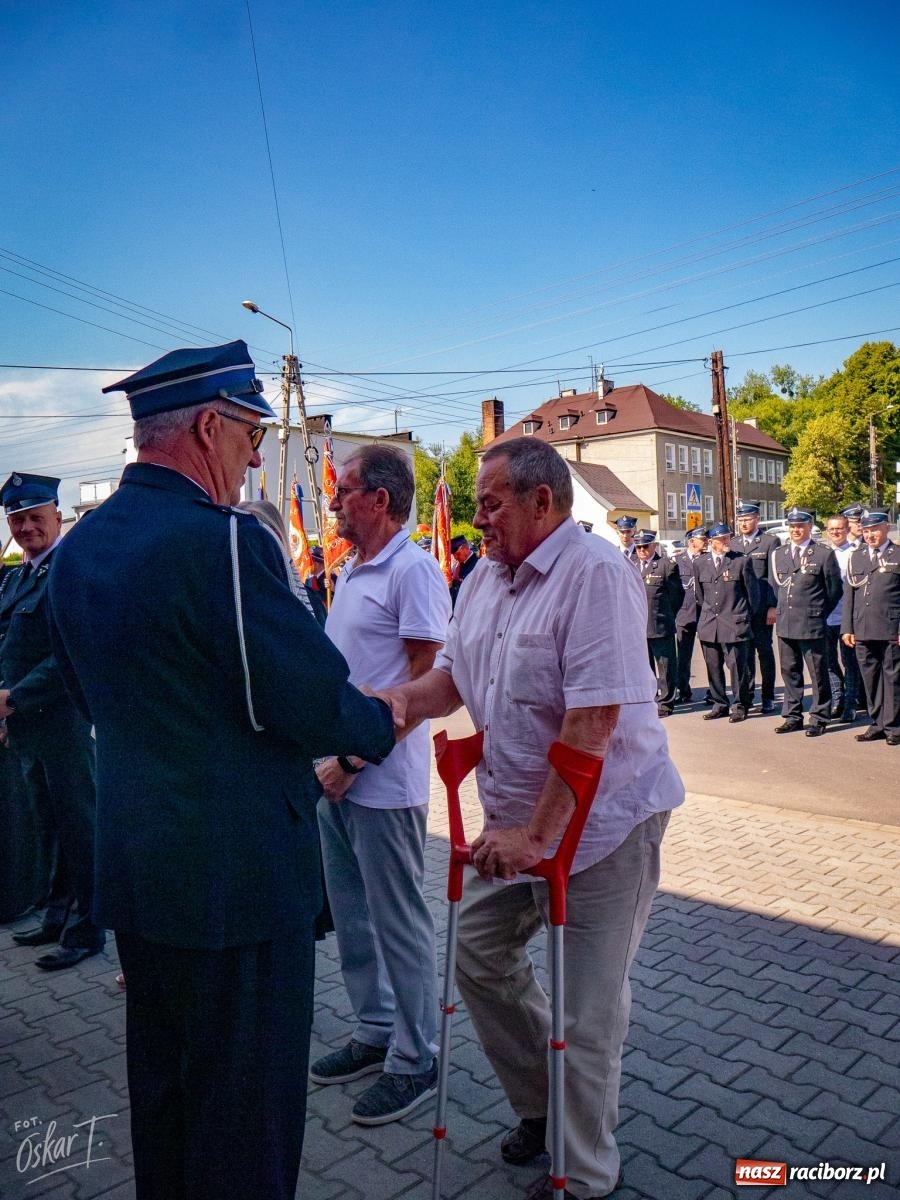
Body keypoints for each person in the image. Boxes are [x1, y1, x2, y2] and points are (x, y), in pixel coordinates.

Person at [46, 340, 396, 1200]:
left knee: (166, 1106)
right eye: (247, 440)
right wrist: (380, 719)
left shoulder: (79, 551)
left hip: (142, 875)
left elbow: (89, 702)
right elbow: (311, 700)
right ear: (208, 426)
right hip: (238, 887)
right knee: (245, 1126)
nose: (248, 467)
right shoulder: (225, 546)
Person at [374, 437, 683, 1200]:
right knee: (478, 958)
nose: (477, 519)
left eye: (489, 504)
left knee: (585, 1011)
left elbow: (594, 719)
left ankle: (581, 1172)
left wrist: (539, 837)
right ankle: (544, 1111)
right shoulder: (485, 577)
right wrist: (397, 707)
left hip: (602, 826)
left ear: (542, 501)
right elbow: (451, 673)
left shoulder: (596, 574)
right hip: (514, 821)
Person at [310, 445, 451, 1124]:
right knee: (353, 918)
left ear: (381, 500)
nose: (333, 502)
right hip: (335, 774)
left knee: (398, 922)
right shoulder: (357, 569)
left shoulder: (414, 570)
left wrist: (357, 759)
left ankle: (416, 1058)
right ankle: (375, 1030)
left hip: (380, 780)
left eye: (344, 491)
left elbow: (424, 688)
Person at [0, 473, 105, 970]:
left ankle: (88, 930)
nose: (26, 528)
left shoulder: (70, 569)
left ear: (57, 517)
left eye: (35, 517)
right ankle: (56, 915)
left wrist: (13, 697)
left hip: (62, 723)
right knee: (49, 824)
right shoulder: (17, 576)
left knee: (80, 829)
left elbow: (71, 653)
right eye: (17, 520)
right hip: (27, 726)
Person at [770, 508, 841, 737]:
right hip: (786, 623)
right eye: (792, 527)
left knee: (818, 673)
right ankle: (793, 716)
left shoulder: (822, 554)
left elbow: (833, 590)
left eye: (800, 526)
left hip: (812, 623)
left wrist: (817, 612)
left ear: (810, 527)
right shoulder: (779, 554)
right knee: (790, 671)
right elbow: (776, 586)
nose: (796, 530)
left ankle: (820, 716)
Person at [841, 510, 900, 745]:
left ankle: (894, 726)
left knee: (893, 678)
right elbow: (849, 595)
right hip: (862, 627)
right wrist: (847, 627)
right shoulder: (856, 556)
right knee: (871, 678)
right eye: (866, 531)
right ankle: (877, 723)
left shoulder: (898, 554)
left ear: (886, 528)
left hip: (890, 627)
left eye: (874, 530)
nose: (870, 535)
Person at [693, 523, 759, 722]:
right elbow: (699, 595)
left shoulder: (740, 561)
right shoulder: (700, 563)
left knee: (738, 668)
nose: (726, 542)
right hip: (709, 625)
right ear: (711, 542)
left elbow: (752, 596)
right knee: (713, 667)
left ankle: (740, 705)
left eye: (728, 538)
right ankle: (719, 703)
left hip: (734, 623)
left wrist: (743, 618)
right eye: (721, 539)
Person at [730, 501, 779, 713]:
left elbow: (773, 577)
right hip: (741, 610)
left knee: (764, 653)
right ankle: (747, 697)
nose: (743, 523)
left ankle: (768, 696)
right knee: (744, 655)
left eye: (747, 519)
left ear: (757, 519)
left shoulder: (769, 541)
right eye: (740, 520)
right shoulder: (732, 544)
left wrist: (772, 606)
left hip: (761, 610)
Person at [633, 530, 684, 717]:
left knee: (666, 667)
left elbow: (677, 596)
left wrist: (666, 615)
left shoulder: (665, 566)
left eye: (645, 546)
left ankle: (666, 702)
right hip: (638, 626)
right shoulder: (632, 565)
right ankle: (649, 698)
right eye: (638, 546)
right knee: (644, 668)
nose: (641, 550)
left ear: (654, 546)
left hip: (660, 624)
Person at [823, 514, 862, 722]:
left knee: (850, 662)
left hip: (849, 618)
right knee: (829, 662)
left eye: (839, 529)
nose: (836, 532)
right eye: (831, 529)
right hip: (827, 617)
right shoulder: (823, 553)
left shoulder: (856, 553)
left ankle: (850, 703)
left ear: (847, 530)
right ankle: (837, 700)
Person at [674, 528, 707, 703]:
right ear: (691, 541)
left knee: (711, 656)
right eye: (702, 539)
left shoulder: (707, 559)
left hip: (705, 614)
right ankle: (683, 691)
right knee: (683, 657)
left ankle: (713, 691)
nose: (706, 541)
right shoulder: (677, 561)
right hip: (684, 614)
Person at [449, 532, 479, 607]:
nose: (455, 557)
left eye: (457, 554)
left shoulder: (477, 565)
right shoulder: (457, 566)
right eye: (453, 555)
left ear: (465, 548)